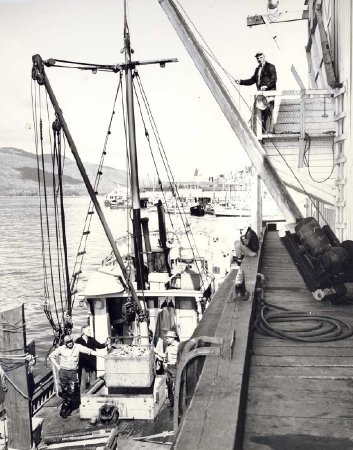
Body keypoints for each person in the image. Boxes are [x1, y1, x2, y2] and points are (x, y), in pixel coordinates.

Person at [49, 334, 104, 418]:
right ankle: (67, 409)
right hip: (63, 373)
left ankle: (64, 409)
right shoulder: (60, 349)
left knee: (72, 391)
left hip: (72, 373)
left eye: (71, 341)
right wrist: (58, 366)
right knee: (66, 392)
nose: (70, 343)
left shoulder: (77, 347)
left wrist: (101, 355)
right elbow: (51, 356)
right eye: (68, 342)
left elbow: (88, 351)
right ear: (65, 343)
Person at [235, 52, 277, 133]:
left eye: (260, 57)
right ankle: (263, 130)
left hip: (269, 94)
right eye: (257, 58)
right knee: (262, 112)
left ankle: (270, 131)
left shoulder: (270, 66)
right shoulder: (258, 69)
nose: (259, 59)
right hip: (261, 95)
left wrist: (267, 86)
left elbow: (274, 79)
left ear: (264, 57)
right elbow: (251, 80)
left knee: (269, 111)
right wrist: (241, 82)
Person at [75, 325, 110, 393]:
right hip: (83, 364)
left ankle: (92, 396)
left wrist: (105, 344)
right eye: (88, 330)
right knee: (83, 383)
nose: (90, 331)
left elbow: (99, 346)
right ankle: (82, 397)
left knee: (93, 382)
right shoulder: (78, 341)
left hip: (92, 363)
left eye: (90, 330)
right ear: (83, 331)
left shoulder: (92, 339)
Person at [154, 330, 180, 412]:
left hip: (175, 368)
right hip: (168, 368)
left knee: (176, 387)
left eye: (168, 338)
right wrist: (157, 352)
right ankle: (172, 403)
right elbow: (165, 356)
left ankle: (177, 406)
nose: (167, 339)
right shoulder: (168, 347)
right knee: (169, 386)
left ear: (173, 338)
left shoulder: (179, 346)